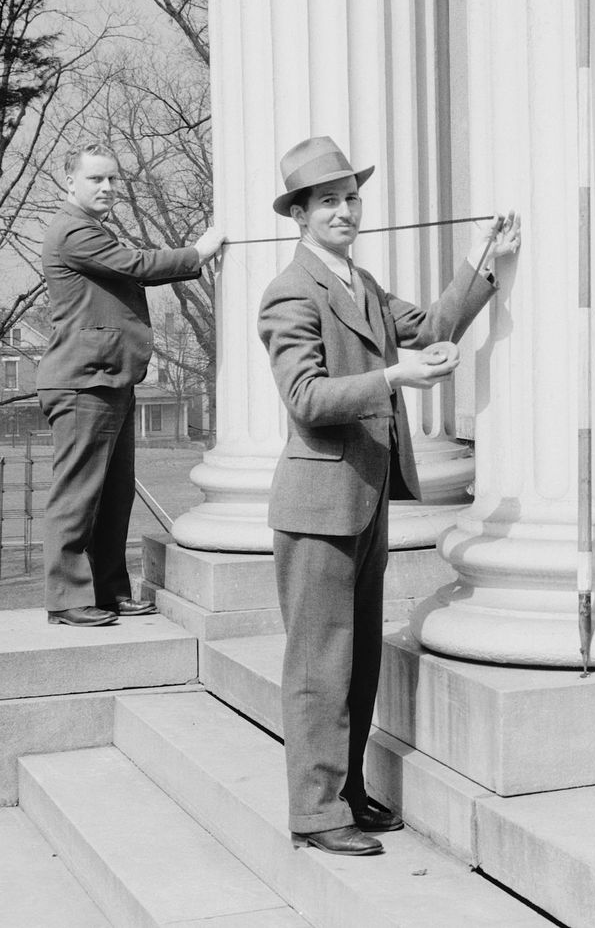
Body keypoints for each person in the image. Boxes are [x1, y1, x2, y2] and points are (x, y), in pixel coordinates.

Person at [258, 135, 520, 856]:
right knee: (318, 663)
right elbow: (306, 397)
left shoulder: (361, 285)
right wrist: (397, 378)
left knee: (359, 655)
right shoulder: (290, 291)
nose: (344, 210)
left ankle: (344, 789)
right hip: (315, 507)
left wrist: (482, 259)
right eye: (327, 201)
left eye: (350, 196)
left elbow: (433, 327)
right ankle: (314, 812)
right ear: (300, 216)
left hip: (363, 497)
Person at [37, 143, 226, 628]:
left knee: (114, 495)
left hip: (107, 377)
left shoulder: (92, 229)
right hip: (83, 381)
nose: (107, 188)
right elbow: (138, 265)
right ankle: (67, 598)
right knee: (78, 494)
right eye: (97, 179)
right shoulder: (73, 229)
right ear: (69, 181)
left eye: (113, 180)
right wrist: (199, 252)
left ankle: (108, 591)